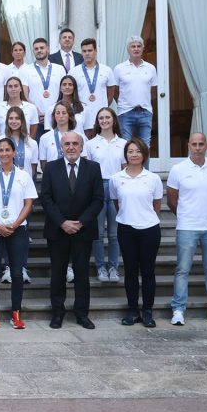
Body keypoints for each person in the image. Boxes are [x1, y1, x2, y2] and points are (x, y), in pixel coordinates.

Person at [38, 130, 104, 330]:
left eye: (75, 143)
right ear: (61, 147)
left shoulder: (93, 168)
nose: (71, 147)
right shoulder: (51, 168)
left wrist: (80, 222)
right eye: (67, 144)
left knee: (82, 273)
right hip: (58, 230)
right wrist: (62, 222)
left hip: (83, 231)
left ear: (82, 147)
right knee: (58, 273)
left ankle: (82, 314)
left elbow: (98, 199)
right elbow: (46, 199)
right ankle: (57, 313)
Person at [168, 132, 207, 327]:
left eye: (201, 144)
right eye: (194, 144)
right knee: (182, 270)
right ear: (188, 145)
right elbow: (171, 200)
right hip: (187, 226)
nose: (197, 147)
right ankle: (178, 309)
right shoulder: (178, 169)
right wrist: (187, 215)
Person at [0, 137, 37, 330]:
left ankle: (16, 313)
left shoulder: (23, 175)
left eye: (7, 150)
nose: (4, 154)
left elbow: (29, 203)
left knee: (17, 273)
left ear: (14, 152)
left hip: (17, 228)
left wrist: (15, 224)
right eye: (0, 150)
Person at [110, 138, 164, 328]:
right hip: (126, 228)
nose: (134, 154)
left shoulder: (153, 178)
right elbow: (117, 203)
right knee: (130, 271)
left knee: (148, 271)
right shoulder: (117, 179)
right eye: (130, 151)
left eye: (138, 151)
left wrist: (144, 218)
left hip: (149, 229)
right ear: (125, 155)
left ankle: (147, 311)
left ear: (144, 155)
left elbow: (156, 205)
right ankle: (132, 310)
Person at [0, 107, 39, 286]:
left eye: (17, 118)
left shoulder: (31, 143)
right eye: (10, 118)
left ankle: (21, 266)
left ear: (22, 121)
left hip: (22, 192)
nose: (14, 121)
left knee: (21, 232)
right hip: (2, 195)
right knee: (3, 228)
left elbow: (33, 169)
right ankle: (7, 268)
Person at [83, 107, 126, 283]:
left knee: (115, 233)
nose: (104, 120)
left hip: (116, 186)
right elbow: (87, 170)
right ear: (97, 121)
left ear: (114, 120)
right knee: (98, 232)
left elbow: (125, 169)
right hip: (98, 187)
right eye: (101, 118)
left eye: (107, 117)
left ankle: (114, 267)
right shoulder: (91, 143)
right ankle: (101, 266)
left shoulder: (123, 143)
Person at [111, 35, 158, 150]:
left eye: (138, 46)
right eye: (133, 46)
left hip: (145, 112)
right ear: (128, 49)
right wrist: (125, 103)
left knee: (145, 147)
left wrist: (142, 102)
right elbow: (115, 91)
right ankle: (128, 169)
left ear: (143, 49)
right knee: (126, 147)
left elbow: (153, 92)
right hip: (126, 113)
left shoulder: (150, 68)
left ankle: (144, 169)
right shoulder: (119, 68)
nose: (136, 49)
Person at [68, 37, 116, 137]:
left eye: (90, 50)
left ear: (95, 51)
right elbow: (70, 94)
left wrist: (102, 105)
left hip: (102, 117)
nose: (87, 53)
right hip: (82, 116)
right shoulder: (74, 71)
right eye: (84, 51)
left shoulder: (106, 70)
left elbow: (111, 94)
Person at [25, 37, 66, 139]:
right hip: (36, 119)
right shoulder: (26, 69)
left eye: (42, 48)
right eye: (36, 48)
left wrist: (54, 112)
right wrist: (36, 112)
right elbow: (24, 95)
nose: (39, 50)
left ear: (47, 49)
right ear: (33, 51)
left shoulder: (59, 69)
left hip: (56, 118)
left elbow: (65, 93)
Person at [0, 75, 39, 139]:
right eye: (10, 87)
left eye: (16, 86)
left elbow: (33, 132)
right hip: (4, 146)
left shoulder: (31, 108)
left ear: (21, 88)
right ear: (6, 89)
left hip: (24, 146)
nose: (13, 89)